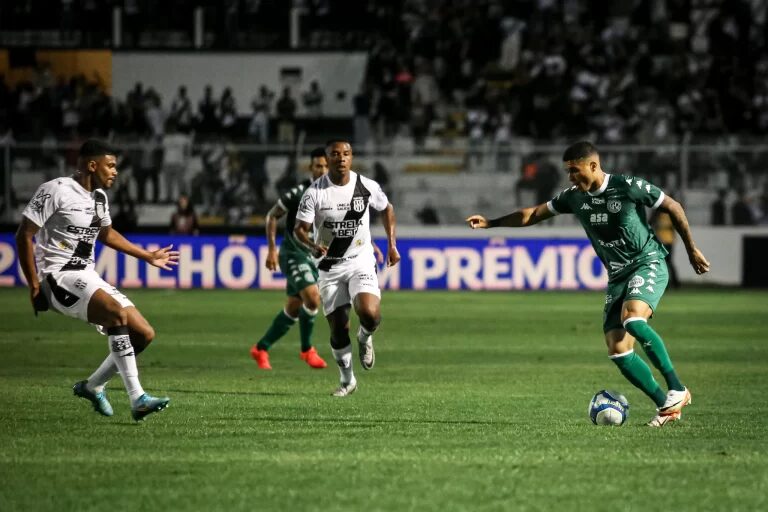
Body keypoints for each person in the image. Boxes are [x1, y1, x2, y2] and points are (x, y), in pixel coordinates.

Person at [467, 141, 711, 427]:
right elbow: (533, 214)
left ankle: (677, 389)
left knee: (632, 319)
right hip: (618, 275)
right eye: (568, 172)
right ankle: (666, 406)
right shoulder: (573, 198)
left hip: (647, 262)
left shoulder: (627, 186)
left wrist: (692, 249)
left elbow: (672, 205)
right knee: (618, 348)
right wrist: (491, 223)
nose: (570, 177)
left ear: (593, 166)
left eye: (574, 171)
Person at [15, 140, 177, 422]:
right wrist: (33, 284)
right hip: (58, 276)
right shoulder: (56, 190)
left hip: (87, 275)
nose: (115, 171)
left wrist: (146, 256)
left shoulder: (99, 197)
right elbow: (23, 234)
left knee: (144, 333)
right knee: (116, 315)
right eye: (111, 165)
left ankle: (92, 386)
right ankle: (137, 397)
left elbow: (107, 234)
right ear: (92, 165)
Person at [294, 140, 400, 397]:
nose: (341, 158)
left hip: (360, 261)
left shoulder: (366, 186)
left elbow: (387, 209)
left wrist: (391, 245)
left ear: (352, 158)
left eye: (346, 154)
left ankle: (365, 336)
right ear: (327, 159)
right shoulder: (315, 193)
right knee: (339, 328)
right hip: (329, 268)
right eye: (335, 154)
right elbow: (300, 230)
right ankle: (347, 381)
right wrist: (311, 245)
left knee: (370, 312)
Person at [249, 148, 331, 370]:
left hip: (314, 257)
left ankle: (261, 348)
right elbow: (272, 215)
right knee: (313, 299)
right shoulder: (299, 192)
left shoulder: (333, 194)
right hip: (294, 253)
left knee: (294, 307)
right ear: (310, 168)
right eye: (318, 166)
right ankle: (307, 350)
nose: (322, 170)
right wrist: (272, 250)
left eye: (325, 166)